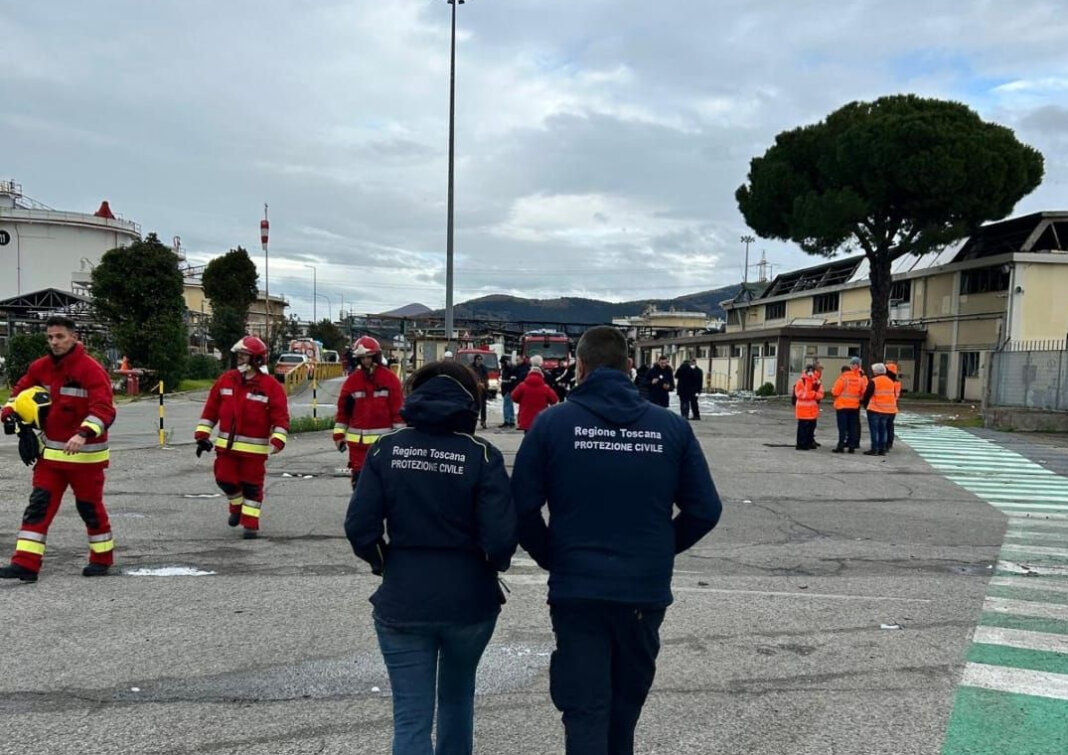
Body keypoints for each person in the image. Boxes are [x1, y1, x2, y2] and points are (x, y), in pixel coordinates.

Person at [512, 326, 722, 755]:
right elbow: (705, 510)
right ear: (629, 367)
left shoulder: (552, 424)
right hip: (642, 592)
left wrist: (553, 554)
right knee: (623, 712)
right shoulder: (670, 427)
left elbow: (519, 508)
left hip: (578, 590)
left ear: (580, 367)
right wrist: (660, 548)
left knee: (585, 710)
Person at [345, 359, 516, 755]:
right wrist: (488, 567)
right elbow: (501, 538)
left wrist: (383, 563)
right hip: (469, 600)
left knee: (411, 715)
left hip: (403, 597)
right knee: (457, 699)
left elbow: (360, 527)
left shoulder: (386, 449)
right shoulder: (482, 455)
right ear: (471, 400)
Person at [0, 316, 117, 582]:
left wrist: (83, 433)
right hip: (50, 458)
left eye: (60, 336)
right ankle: (25, 564)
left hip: (86, 458)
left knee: (89, 507)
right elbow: (18, 393)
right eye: (50, 337)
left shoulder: (91, 369)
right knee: (38, 507)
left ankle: (102, 558)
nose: (54, 342)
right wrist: (9, 412)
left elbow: (104, 408)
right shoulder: (40, 367)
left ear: (74, 337)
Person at [195, 336, 289, 539]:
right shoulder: (226, 380)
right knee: (224, 479)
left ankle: (250, 524)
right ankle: (236, 507)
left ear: (256, 359)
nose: (239, 359)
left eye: (244, 355)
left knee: (252, 487)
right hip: (226, 449)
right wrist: (202, 435)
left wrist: (278, 439)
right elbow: (211, 410)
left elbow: (280, 416)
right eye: (238, 355)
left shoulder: (270, 386)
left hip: (254, 453)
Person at [334, 336, 405, 489]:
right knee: (359, 487)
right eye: (362, 358)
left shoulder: (390, 380)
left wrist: (401, 441)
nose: (366, 361)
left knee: (383, 486)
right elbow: (342, 413)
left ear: (376, 357)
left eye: (369, 357)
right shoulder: (352, 382)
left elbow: (398, 413)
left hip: (383, 445)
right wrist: (339, 436)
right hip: (357, 448)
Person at [510, 360, 558, 431]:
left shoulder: (522, 386)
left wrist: (521, 401)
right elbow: (554, 400)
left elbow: (513, 397)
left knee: (527, 438)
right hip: (541, 419)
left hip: (525, 419)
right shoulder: (545, 388)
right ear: (541, 375)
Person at [831, 357, 866, 453]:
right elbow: (863, 393)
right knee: (852, 427)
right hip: (854, 406)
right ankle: (851, 446)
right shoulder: (860, 379)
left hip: (842, 406)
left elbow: (835, 392)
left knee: (842, 427)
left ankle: (841, 446)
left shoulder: (843, 378)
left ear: (851, 365)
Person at [862, 362, 897, 455]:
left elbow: (867, 395)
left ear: (875, 372)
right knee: (883, 430)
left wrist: (866, 406)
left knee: (874, 430)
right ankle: (882, 449)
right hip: (887, 410)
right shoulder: (890, 382)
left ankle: (875, 449)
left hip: (875, 409)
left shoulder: (874, 381)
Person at [793, 365, 823, 450]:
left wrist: (812, 395)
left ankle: (809, 443)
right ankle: (801, 444)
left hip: (812, 410)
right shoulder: (801, 381)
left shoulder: (816, 382)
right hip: (803, 410)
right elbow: (799, 394)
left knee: (811, 428)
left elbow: (820, 394)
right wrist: (812, 394)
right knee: (803, 428)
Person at [470, 353, 490, 430]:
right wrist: (477, 383)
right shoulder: (471, 368)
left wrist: (485, 385)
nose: (479, 361)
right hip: (474, 390)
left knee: (483, 406)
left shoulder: (483, 368)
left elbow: (486, 378)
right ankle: (473, 420)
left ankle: (483, 420)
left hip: (483, 390)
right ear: (475, 360)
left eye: (481, 360)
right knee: (475, 406)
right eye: (478, 359)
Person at [885, 361, 901, 450]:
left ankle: (886, 443)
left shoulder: (890, 382)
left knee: (886, 426)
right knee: (890, 426)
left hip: (886, 407)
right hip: (893, 407)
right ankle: (889, 443)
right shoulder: (897, 382)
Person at [499, 355, 518, 428]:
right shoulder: (507, 369)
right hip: (507, 389)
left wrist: (509, 389)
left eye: (502, 363)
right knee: (509, 405)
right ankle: (511, 420)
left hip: (508, 389)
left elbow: (512, 380)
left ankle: (507, 420)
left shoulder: (509, 369)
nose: (501, 364)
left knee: (507, 405)